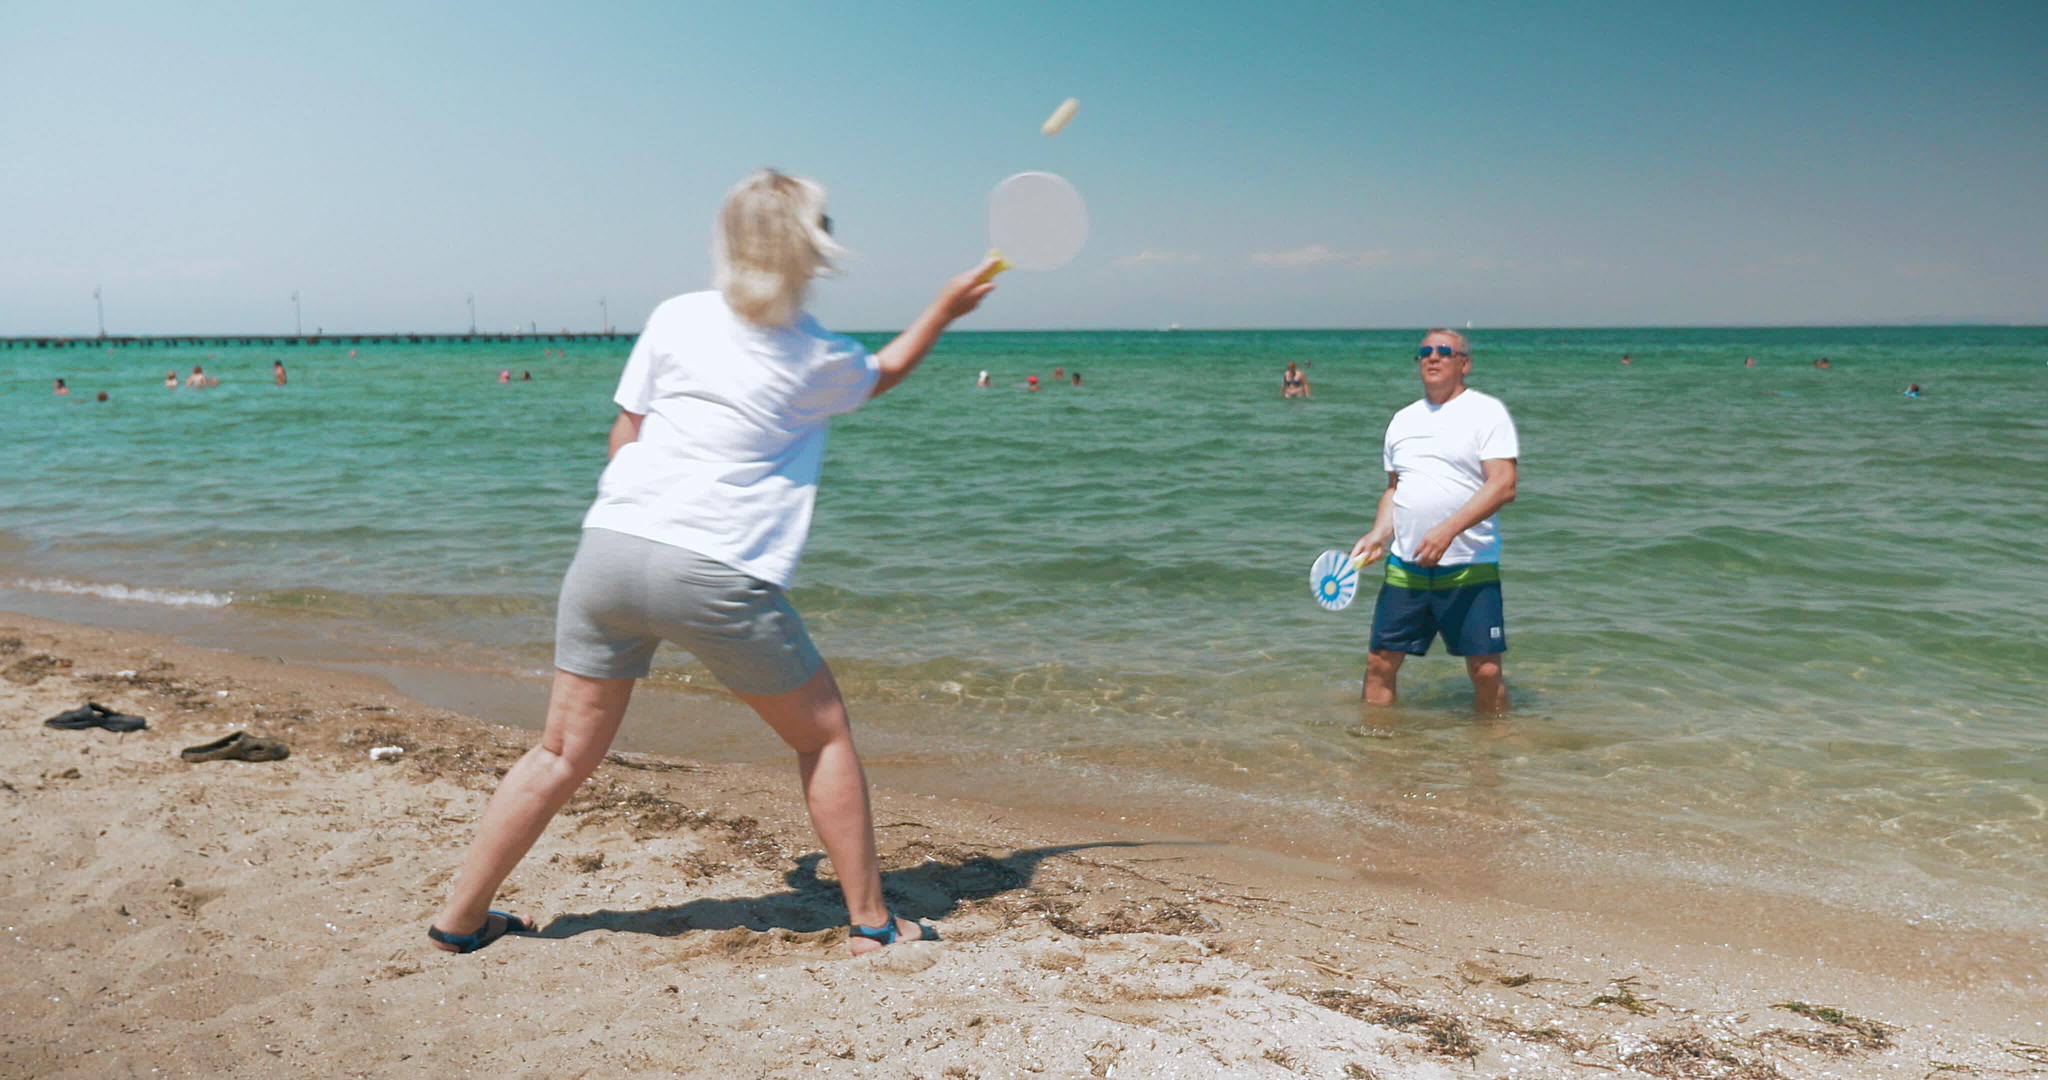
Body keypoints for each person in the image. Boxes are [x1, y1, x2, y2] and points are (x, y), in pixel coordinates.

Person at [428, 168, 997, 958]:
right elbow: (887, 373)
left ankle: (460, 919)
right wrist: (944, 308)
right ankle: (874, 921)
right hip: (714, 568)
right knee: (823, 737)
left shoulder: (675, 318)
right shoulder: (814, 356)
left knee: (559, 751)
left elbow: (625, 433)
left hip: (609, 550)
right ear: (813, 251)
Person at [1351, 329, 1519, 713]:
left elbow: (1504, 484)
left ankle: (1493, 759)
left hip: (1469, 565)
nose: (1433, 356)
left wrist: (1448, 530)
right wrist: (1379, 532)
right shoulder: (1402, 420)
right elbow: (1394, 490)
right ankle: (1376, 757)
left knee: (1486, 669)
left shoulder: (1487, 412)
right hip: (1405, 567)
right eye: (1425, 351)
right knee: (1380, 662)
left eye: (1445, 350)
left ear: (1465, 363)